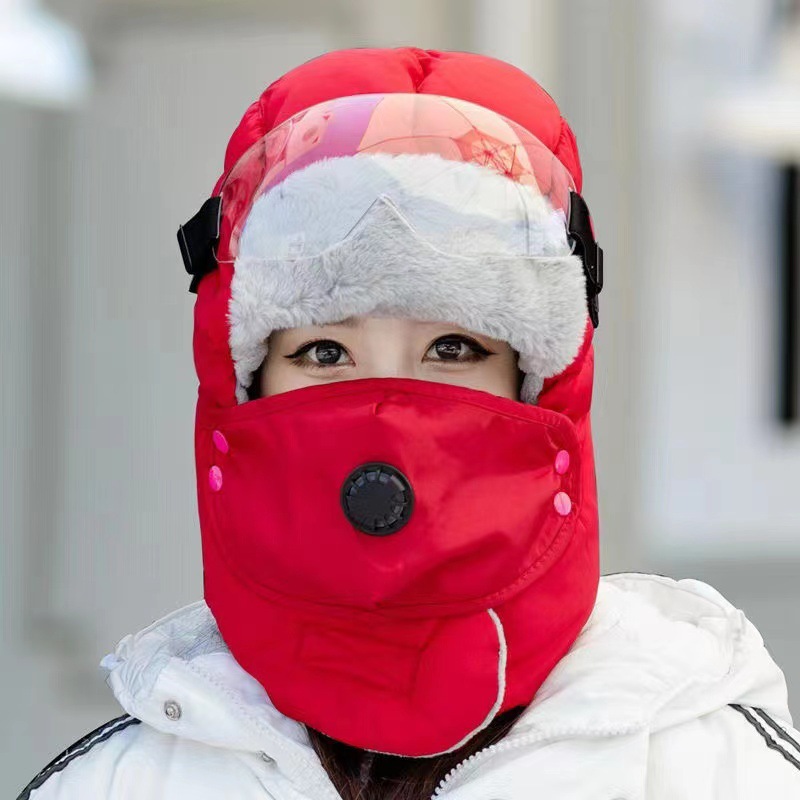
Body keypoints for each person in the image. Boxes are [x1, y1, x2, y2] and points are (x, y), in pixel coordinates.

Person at [17, 46, 800, 800]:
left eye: (452, 348)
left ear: (539, 386)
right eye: (325, 352)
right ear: (245, 385)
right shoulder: (115, 786)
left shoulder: (714, 776)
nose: (387, 417)